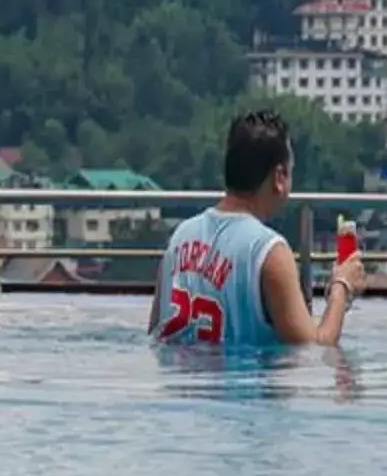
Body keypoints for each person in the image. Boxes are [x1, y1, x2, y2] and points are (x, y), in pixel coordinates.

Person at [149, 107, 364, 354]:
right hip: (243, 388)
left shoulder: (179, 238)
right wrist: (341, 287)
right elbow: (313, 350)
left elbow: (156, 332)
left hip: (181, 386)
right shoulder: (269, 252)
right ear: (280, 177)